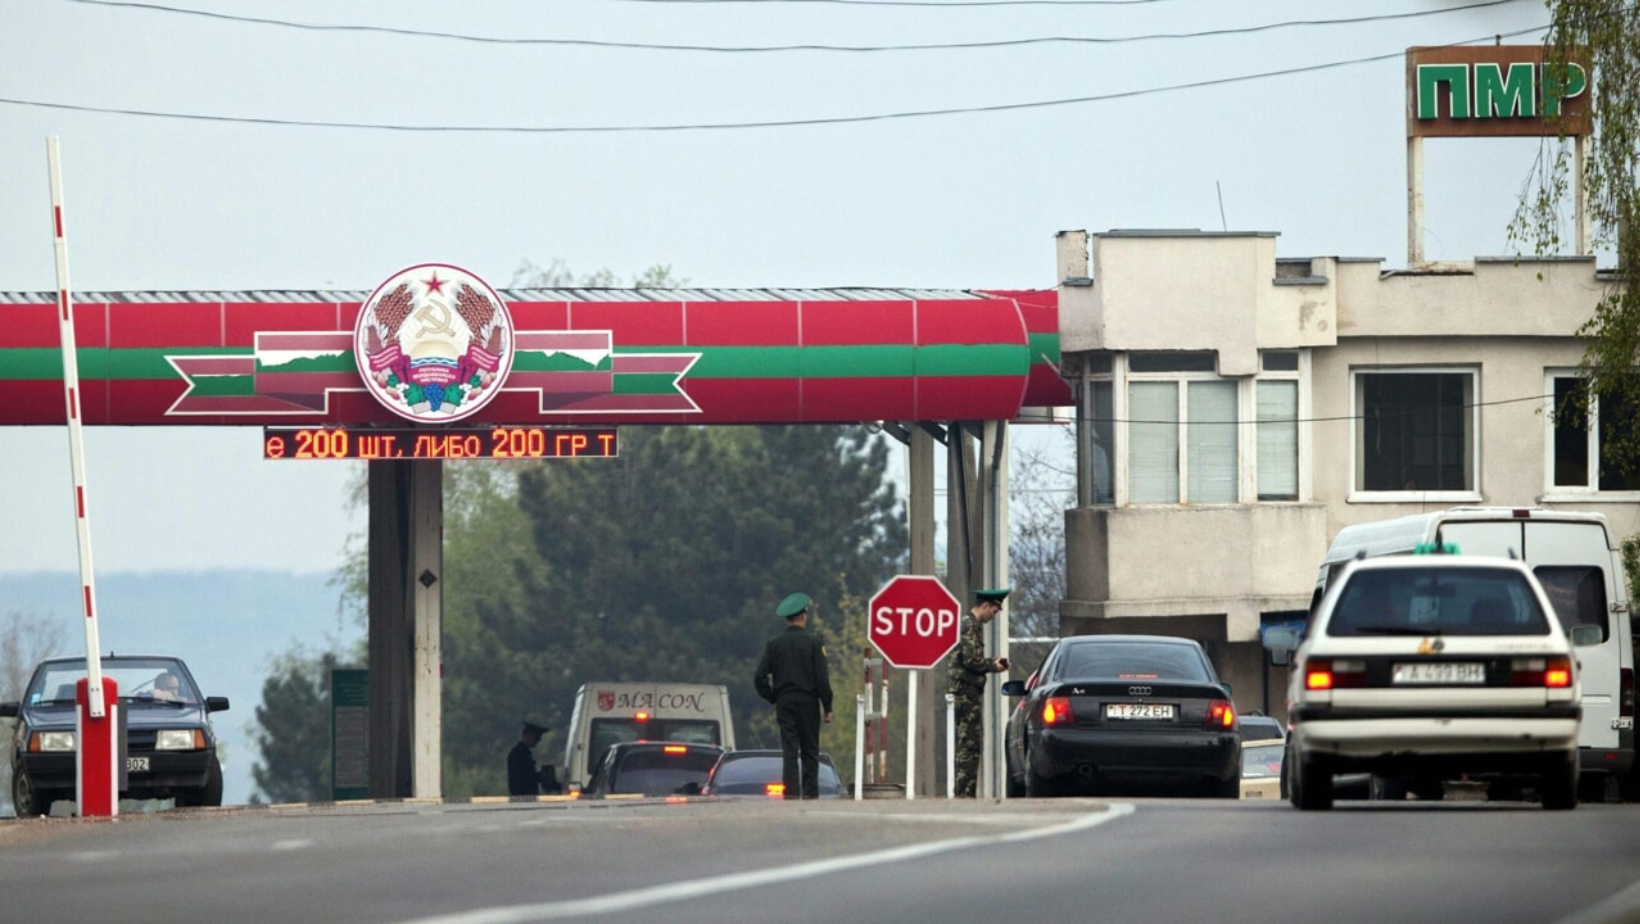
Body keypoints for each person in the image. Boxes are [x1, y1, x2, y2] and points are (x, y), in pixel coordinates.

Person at [753, 592, 835, 799]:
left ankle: (790, 794)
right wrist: (828, 707)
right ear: (804, 616)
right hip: (808, 702)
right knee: (810, 749)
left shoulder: (775, 644)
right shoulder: (814, 642)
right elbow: (822, 680)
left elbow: (759, 677)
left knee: (790, 749)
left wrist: (773, 696)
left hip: (785, 702)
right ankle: (810, 794)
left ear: (788, 618)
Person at [947, 587, 1011, 798]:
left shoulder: (970, 625)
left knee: (968, 745)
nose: (993, 616)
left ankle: (964, 792)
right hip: (966, 693)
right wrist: (993, 666)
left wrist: (992, 662)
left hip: (967, 692)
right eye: (994, 611)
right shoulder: (970, 626)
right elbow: (971, 660)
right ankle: (964, 794)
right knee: (969, 747)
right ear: (985, 606)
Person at [508, 720, 549, 796]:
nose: (538, 740)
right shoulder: (519, 754)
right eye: (536, 737)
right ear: (527, 735)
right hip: (522, 798)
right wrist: (540, 776)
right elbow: (524, 777)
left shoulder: (523, 753)